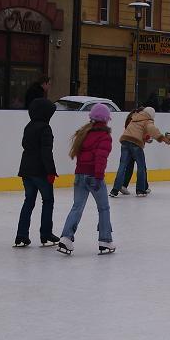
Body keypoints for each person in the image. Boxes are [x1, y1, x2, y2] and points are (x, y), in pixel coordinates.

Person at [57, 105, 115, 255]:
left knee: (77, 207)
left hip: (80, 175)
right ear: (106, 120)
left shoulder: (84, 133)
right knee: (103, 208)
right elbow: (100, 159)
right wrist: (98, 177)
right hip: (93, 176)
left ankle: (66, 238)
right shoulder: (104, 136)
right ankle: (105, 240)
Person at [15, 98, 60, 247]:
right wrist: (51, 171)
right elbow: (46, 152)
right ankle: (46, 233)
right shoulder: (45, 128)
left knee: (28, 202)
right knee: (48, 201)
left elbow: (24, 144)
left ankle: (21, 234)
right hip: (40, 172)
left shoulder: (29, 126)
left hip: (26, 171)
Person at [110, 106, 170, 197]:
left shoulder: (135, 117)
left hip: (125, 141)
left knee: (122, 166)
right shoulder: (147, 119)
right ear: (151, 115)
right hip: (135, 144)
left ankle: (114, 190)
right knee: (141, 166)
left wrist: (145, 139)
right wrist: (163, 138)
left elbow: (136, 131)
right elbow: (152, 129)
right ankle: (140, 190)